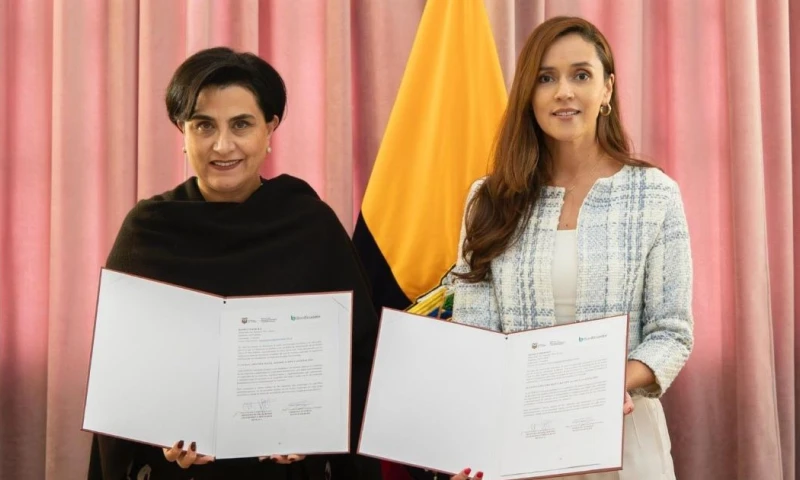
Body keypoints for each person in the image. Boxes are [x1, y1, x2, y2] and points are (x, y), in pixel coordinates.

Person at [87, 46, 383, 480]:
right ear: (182, 132)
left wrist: (315, 430)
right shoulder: (148, 230)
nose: (222, 145)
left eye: (241, 124)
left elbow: (361, 360)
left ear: (270, 128)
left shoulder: (311, 227)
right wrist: (158, 440)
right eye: (203, 125)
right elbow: (119, 378)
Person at [447, 16, 693, 480]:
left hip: (625, 439)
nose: (563, 91)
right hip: (517, 439)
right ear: (529, 95)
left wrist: (607, 382)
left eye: (581, 75)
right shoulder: (490, 199)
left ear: (607, 90)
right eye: (546, 78)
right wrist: (469, 445)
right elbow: (473, 336)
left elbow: (671, 332)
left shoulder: (654, 194)